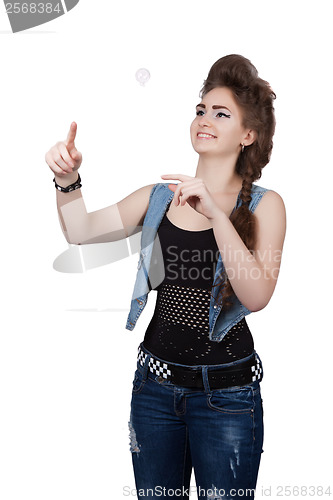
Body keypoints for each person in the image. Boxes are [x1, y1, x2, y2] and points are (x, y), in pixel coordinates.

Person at [45, 54, 286, 499]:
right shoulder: (158, 197)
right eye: (200, 110)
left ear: (247, 135)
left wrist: (217, 216)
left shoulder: (264, 205)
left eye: (221, 113)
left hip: (227, 398)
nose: (204, 119)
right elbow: (80, 230)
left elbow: (257, 295)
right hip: (154, 390)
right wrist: (69, 180)